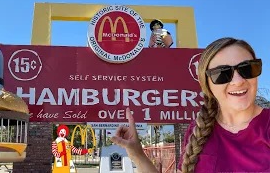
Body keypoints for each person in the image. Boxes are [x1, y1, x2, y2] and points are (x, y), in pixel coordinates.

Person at [111, 37, 270, 172]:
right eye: (222, 74)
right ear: (207, 84)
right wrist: (136, 153)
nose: (238, 81)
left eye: (247, 68)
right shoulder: (198, 131)